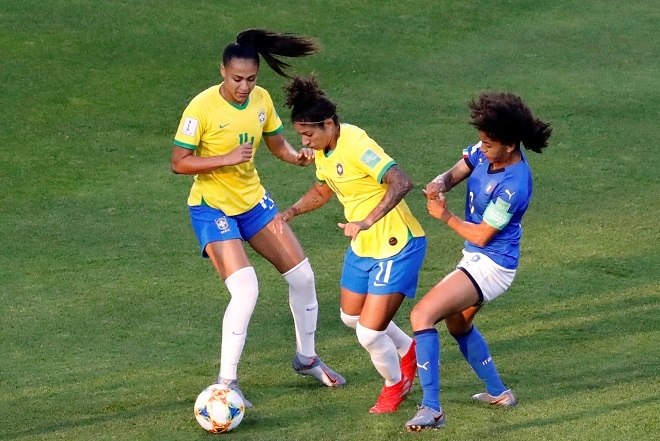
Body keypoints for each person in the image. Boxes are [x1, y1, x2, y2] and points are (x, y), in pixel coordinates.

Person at [170, 29, 346, 408]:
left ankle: (306, 358)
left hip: (253, 203)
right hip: (212, 208)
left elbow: (276, 142)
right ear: (222, 71)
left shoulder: (261, 100)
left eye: (251, 79)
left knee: (303, 277)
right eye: (237, 79)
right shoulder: (200, 109)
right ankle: (227, 383)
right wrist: (225, 158)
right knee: (247, 290)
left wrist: (295, 158)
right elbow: (178, 162)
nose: (244, 87)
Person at [277, 75, 427, 414]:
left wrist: (366, 221)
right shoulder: (324, 152)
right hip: (363, 246)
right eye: (300, 134)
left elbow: (401, 181)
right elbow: (322, 190)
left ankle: (395, 386)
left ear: (329, 124)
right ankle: (408, 350)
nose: (304, 141)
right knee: (350, 317)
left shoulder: (356, 143)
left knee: (369, 334)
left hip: (396, 245)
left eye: (309, 134)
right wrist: (291, 212)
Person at [404, 91, 552, 431]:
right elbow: (457, 171)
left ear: (511, 144)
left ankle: (432, 409)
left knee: (422, 314)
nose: (481, 147)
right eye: (481, 141)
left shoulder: (515, 184)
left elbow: (483, 236)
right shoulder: (485, 152)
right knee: (458, 324)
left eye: (488, 143)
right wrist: (439, 182)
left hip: (492, 264)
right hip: (478, 257)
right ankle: (500, 393)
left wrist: (445, 215)